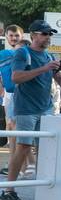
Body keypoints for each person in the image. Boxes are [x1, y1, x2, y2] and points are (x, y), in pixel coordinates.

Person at [0, 20, 61, 200]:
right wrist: (44, 69)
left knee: (46, 149)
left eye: (50, 34)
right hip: (26, 108)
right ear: (33, 36)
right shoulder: (23, 53)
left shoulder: (49, 56)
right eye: (44, 33)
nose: (48, 37)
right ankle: (8, 191)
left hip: (45, 108)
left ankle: (45, 189)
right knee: (23, 147)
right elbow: (16, 77)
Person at [0, 25, 24, 176]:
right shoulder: (4, 54)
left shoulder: (24, 53)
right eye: (11, 35)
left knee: (17, 129)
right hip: (8, 95)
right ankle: (12, 164)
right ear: (7, 37)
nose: (14, 38)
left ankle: (20, 166)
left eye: (16, 35)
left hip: (21, 94)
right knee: (10, 128)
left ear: (22, 36)